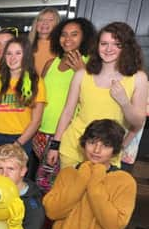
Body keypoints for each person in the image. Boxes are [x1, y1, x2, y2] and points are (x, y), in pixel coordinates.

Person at [47, 22, 148, 169]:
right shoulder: (82, 74)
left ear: (127, 47)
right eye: (104, 43)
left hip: (107, 153)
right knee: (70, 191)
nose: (108, 49)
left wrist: (124, 102)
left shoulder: (138, 78)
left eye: (116, 44)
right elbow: (67, 112)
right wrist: (55, 145)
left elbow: (138, 123)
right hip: (74, 148)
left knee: (99, 192)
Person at [33, 18, 96, 193]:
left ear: (84, 37)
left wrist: (82, 71)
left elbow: (93, 97)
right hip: (40, 132)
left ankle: (53, 218)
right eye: (64, 34)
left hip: (65, 134)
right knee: (46, 180)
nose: (67, 39)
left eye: (74, 34)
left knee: (52, 184)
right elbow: (40, 97)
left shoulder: (90, 64)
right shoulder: (50, 64)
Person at [0, 37, 46, 175]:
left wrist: (17, 144)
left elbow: (36, 121)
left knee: (17, 183)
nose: (12, 58)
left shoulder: (36, 82)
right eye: (9, 53)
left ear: (26, 55)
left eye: (18, 53)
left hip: (21, 139)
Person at [29, 8, 60, 76]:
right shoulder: (27, 45)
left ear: (57, 24)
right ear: (36, 24)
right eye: (41, 20)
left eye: (50, 20)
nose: (45, 22)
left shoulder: (61, 46)